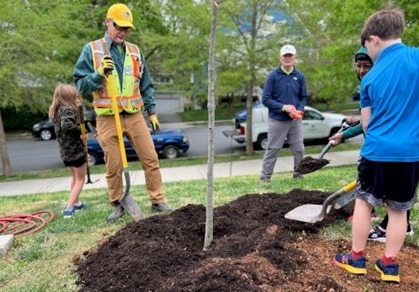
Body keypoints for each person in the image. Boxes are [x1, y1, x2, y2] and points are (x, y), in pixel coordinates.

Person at [333, 8, 419, 283]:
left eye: (366, 47)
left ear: (374, 39)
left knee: (363, 204)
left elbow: (368, 125)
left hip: (377, 152)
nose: (367, 54)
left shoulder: (370, 78)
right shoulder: (416, 59)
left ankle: (356, 258)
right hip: (410, 153)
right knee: (399, 210)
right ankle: (389, 265)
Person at [73, 3, 172, 221]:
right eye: (118, 26)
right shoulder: (92, 50)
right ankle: (118, 203)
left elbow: (146, 84)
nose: (122, 32)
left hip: (134, 115)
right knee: (114, 165)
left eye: (126, 28)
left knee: (150, 158)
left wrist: (152, 112)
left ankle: (157, 200)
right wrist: (98, 75)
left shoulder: (135, 52)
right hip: (108, 117)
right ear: (107, 22)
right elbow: (80, 86)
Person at [329, 48, 414, 238]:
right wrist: (345, 134)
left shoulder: (383, 85)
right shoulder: (371, 85)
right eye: (359, 66)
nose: (361, 70)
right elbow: (368, 120)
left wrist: (348, 133)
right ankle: (379, 215)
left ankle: (385, 225)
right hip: (384, 147)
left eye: (367, 65)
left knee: (398, 188)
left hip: (393, 147)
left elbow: (372, 121)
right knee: (390, 186)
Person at [259, 44, 307, 183]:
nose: (287, 58)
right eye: (285, 56)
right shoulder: (273, 76)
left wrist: (299, 109)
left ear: (294, 57)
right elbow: (266, 99)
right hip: (277, 120)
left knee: (299, 149)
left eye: (290, 56)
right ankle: (265, 176)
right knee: (273, 149)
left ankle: (298, 173)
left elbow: (303, 96)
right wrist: (283, 107)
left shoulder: (299, 76)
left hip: (295, 121)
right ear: (280, 58)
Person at [48, 84, 87, 219]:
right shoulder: (68, 109)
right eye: (74, 95)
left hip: (65, 151)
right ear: (69, 96)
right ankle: (69, 208)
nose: (77, 97)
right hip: (75, 150)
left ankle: (77, 203)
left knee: (75, 178)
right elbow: (67, 125)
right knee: (81, 179)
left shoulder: (56, 110)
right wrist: (81, 132)